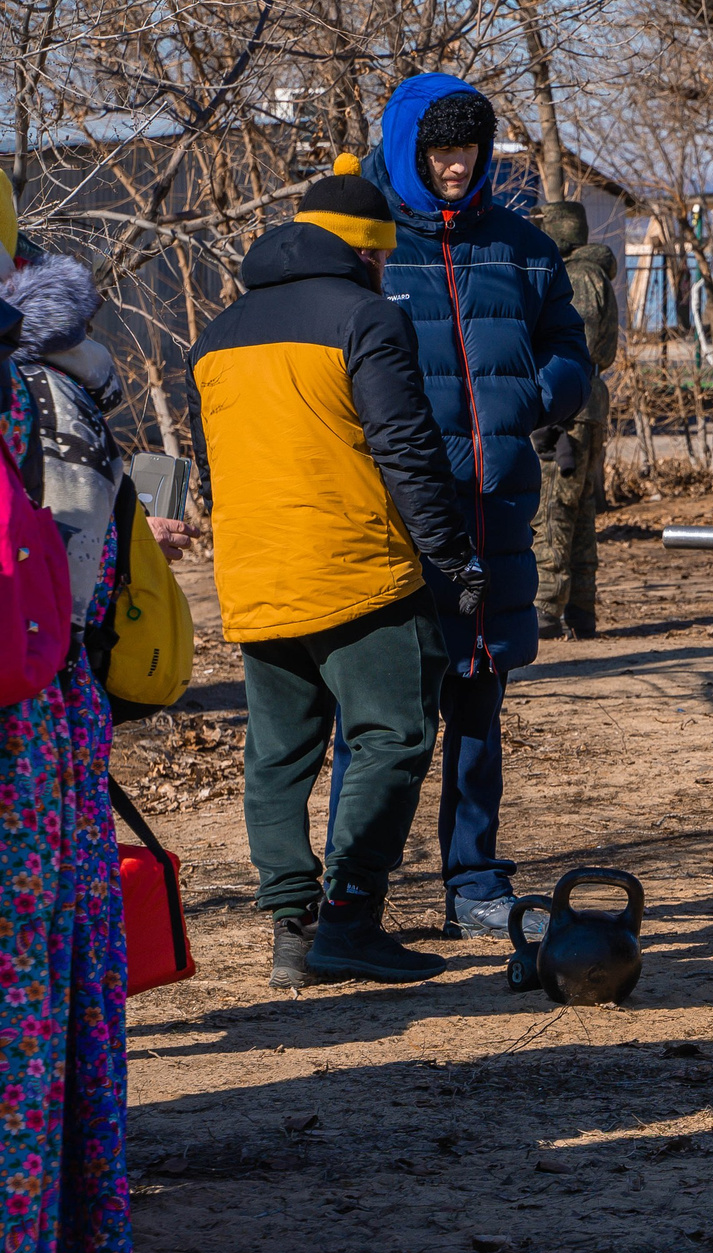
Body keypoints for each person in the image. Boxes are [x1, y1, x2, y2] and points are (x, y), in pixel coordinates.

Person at [191, 159, 484, 987]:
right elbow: (406, 448)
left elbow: (214, 469)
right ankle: (350, 917)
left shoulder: (216, 335)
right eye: (381, 253)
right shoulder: (365, 317)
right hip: (361, 573)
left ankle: (293, 928)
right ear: (362, 248)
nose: (386, 268)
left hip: (255, 575)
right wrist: (452, 556)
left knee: (279, 755)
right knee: (392, 735)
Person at [355, 74, 591, 939]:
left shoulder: (524, 246)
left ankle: (475, 878)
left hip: (497, 510)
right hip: (400, 518)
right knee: (384, 713)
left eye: (468, 148)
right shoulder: (369, 248)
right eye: (439, 149)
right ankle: (358, 894)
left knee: (480, 696)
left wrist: (543, 394)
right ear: (408, 150)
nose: (456, 166)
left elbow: (570, 343)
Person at [0, 216, 129, 1253]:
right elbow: (88, 582)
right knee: (34, 1007)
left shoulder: (29, 386)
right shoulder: (52, 379)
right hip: (42, 725)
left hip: (28, 723)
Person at [533, 200, 618, 641]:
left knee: (553, 506)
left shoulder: (571, 277)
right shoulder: (596, 274)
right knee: (581, 506)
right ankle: (582, 609)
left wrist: (553, 411)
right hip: (590, 404)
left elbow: (573, 346)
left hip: (569, 404)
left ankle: (546, 607)